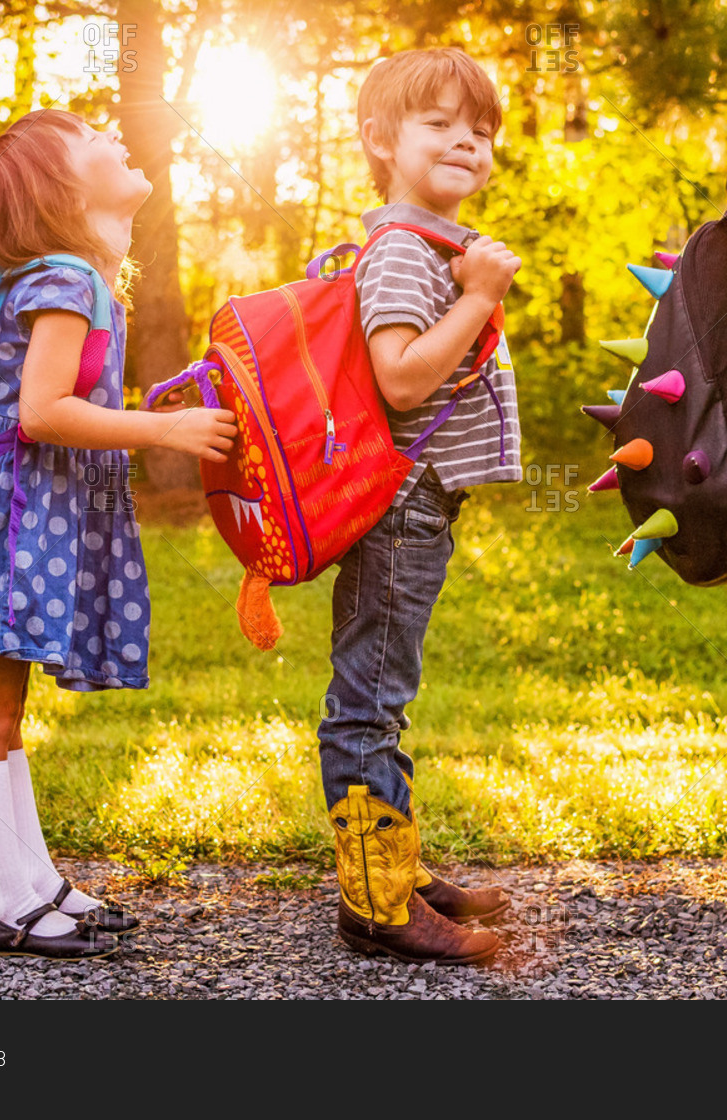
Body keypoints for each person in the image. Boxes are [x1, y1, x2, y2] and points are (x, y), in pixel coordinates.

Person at [0, 109, 237, 959]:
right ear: (63, 189)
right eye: (91, 138)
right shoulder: (67, 278)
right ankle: (6, 905)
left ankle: (37, 884)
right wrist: (166, 435)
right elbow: (41, 413)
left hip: (23, 515)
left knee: (6, 714)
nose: (114, 136)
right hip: (9, 519)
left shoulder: (77, 278)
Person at [316, 48, 522, 965]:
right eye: (438, 124)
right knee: (368, 701)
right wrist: (479, 298)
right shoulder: (404, 250)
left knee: (385, 694)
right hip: (399, 503)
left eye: (479, 130)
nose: (466, 142)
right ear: (379, 139)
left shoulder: (429, 241)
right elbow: (401, 378)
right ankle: (376, 902)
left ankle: (392, 864)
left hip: (418, 506)